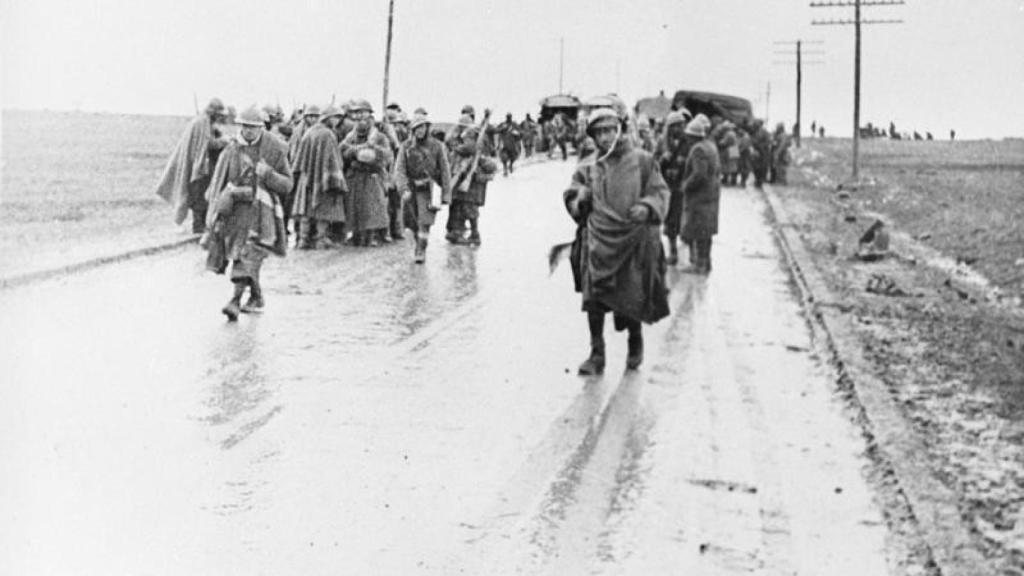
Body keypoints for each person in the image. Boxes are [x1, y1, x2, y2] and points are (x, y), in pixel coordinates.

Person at [563, 108, 670, 375]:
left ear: (620, 130)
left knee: (630, 294)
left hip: (631, 241)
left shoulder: (643, 161)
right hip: (597, 242)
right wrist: (580, 198)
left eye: (610, 130)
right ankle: (597, 353)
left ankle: (635, 341)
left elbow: (659, 191)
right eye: (599, 132)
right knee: (594, 298)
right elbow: (571, 194)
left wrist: (647, 207)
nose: (605, 137)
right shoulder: (587, 167)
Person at [202, 105, 291, 321]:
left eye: (254, 127)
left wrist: (269, 174)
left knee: (248, 255)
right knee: (240, 255)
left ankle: (234, 300)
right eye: (245, 126)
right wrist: (215, 213)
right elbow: (217, 185)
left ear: (262, 127)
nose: (249, 131)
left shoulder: (275, 149)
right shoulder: (230, 150)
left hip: (262, 213)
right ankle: (257, 297)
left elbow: (287, 184)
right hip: (235, 213)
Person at [155, 98, 229, 233]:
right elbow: (207, 144)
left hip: (199, 166)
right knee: (199, 197)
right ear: (213, 111)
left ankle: (201, 224)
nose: (219, 117)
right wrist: (223, 141)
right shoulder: (202, 122)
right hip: (199, 167)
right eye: (218, 114)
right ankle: (198, 225)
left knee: (201, 195)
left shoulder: (204, 122)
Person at [394, 112, 452, 263]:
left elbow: (445, 170)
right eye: (417, 127)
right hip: (411, 189)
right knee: (412, 223)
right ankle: (418, 242)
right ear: (412, 130)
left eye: (423, 127)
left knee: (424, 222)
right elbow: (399, 170)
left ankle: (421, 249)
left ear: (427, 128)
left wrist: (446, 194)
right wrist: (404, 189)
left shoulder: (437, 146)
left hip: (429, 190)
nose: (420, 130)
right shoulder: (406, 147)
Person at [291, 105, 348, 250]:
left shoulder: (309, 132)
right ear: (328, 118)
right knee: (323, 208)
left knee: (306, 209)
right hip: (323, 177)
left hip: (306, 177)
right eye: (335, 117)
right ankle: (320, 240)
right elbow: (334, 159)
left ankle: (303, 240)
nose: (337, 121)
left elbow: (298, 159)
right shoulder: (328, 134)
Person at [340, 99, 394, 247]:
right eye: (357, 114)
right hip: (355, 175)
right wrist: (358, 152)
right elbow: (343, 150)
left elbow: (387, 156)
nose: (360, 118)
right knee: (354, 206)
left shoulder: (379, 136)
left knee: (372, 206)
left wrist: (372, 153)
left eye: (363, 114)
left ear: (370, 116)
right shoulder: (350, 136)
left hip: (372, 175)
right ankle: (356, 234)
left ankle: (373, 235)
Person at [679, 114, 721, 274]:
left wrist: (685, 185)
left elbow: (699, 174)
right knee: (706, 232)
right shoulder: (710, 146)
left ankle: (699, 265)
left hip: (699, 197)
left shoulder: (698, 149)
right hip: (711, 196)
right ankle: (706, 262)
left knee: (698, 231)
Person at [447, 120, 498, 245]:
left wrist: (455, 147)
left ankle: (475, 234)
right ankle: (461, 233)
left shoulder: (471, 142)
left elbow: (466, 148)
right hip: (470, 184)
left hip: (473, 185)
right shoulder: (475, 141)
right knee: (465, 209)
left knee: (469, 210)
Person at [657, 110, 693, 265]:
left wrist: (682, 162)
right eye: (674, 126)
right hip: (668, 186)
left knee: (686, 221)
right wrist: (663, 159)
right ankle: (672, 253)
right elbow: (654, 164)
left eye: (680, 126)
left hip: (683, 187)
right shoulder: (663, 142)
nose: (677, 129)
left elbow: (693, 164)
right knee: (670, 222)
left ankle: (693, 255)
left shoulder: (689, 143)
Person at [749, 118, 772, 189]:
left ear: (760, 124)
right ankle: (757, 179)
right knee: (755, 166)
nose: (755, 124)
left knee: (762, 167)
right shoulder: (754, 131)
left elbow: (768, 142)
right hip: (756, 151)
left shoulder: (765, 132)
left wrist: (761, 146)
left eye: (756, 123)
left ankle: (760, 180)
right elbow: (751, 139)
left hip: (763, 152)